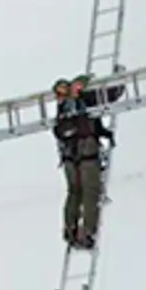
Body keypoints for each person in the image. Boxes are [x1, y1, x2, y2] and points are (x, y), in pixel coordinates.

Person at [52, 75, 113, 249]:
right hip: (86, 154)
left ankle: (70, 229)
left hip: (69, 157)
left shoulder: (62, 109)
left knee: (74, 192)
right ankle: (87, 232)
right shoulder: (85, 102)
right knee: (90, 192)